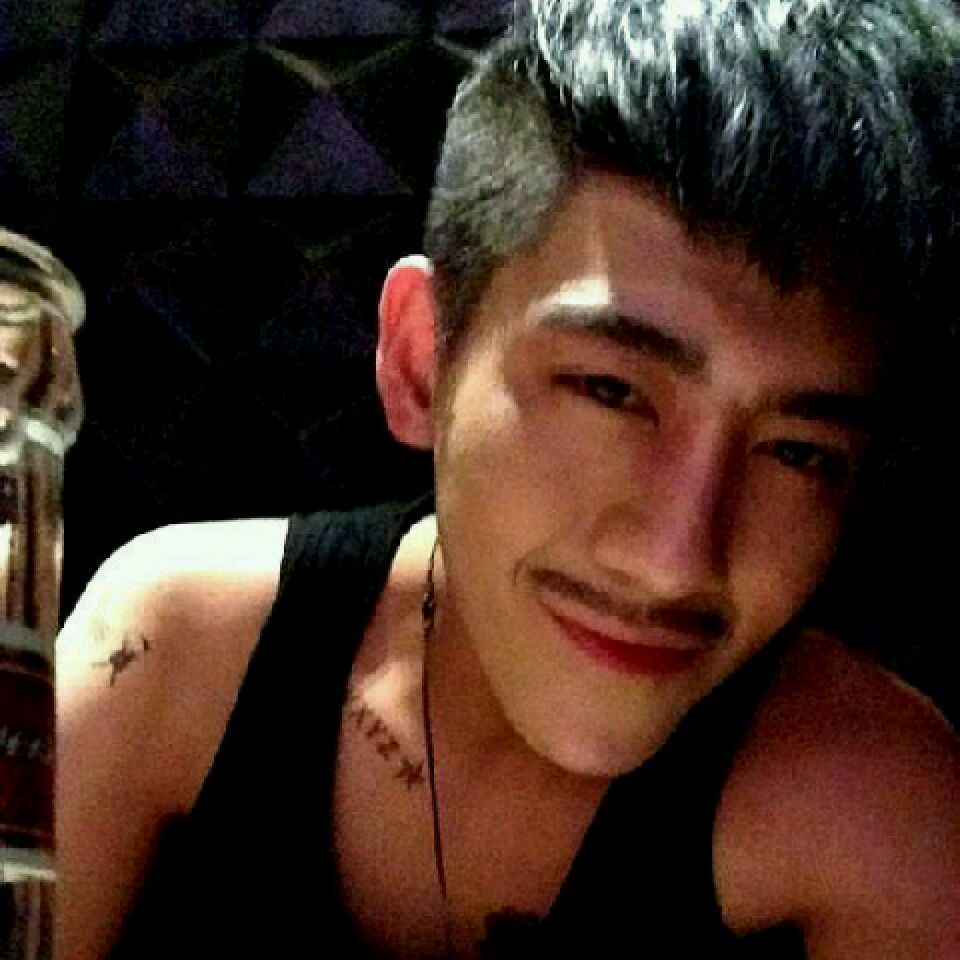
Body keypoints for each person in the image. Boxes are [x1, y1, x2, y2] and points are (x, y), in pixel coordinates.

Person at [57, 1, 959, 957]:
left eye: (799, 451)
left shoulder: (883, 815)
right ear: (423, 361)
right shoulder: (175, 650)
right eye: (610, 391)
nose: (673, 563)